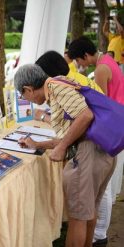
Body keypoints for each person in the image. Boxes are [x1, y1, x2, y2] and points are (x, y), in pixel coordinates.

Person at [14, 64, 116, 247]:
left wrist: (61, 148)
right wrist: (38, 145)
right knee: (89, 211)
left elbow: (85, 116)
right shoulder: (63, 82)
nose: (25, 99)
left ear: (28, 89)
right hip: (101, 151)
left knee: (77, 217)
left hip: (87, 155)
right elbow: (73, 132)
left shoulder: (55, 87)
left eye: (23, 96)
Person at [68, 36, 124, 246]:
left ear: (85, 55)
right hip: (118, 126)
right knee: (106, 184)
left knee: (103, 186)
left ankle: (99, 235)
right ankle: (100, 232)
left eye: (79, 61)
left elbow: (100, 105)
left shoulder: (101, 69)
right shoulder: (109, 61)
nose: (79, 66)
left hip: (111, 130)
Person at [33, 50, 103, 123]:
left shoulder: (67, 86)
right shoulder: (74, 77)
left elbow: (77, 123)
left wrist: (43, 116)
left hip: (98, 126)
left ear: (50, 74)